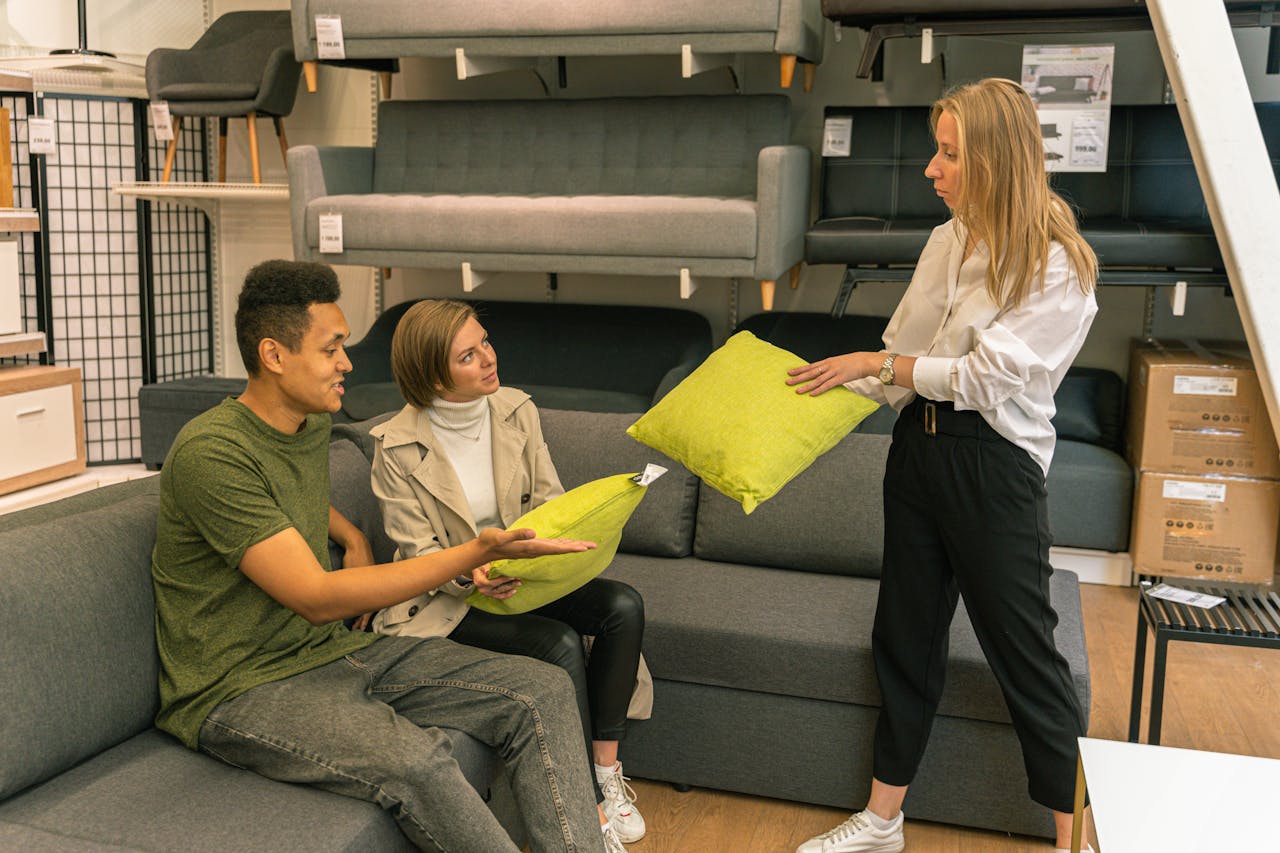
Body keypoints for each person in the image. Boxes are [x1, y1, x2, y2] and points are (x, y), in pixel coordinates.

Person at [151, 260, 623, 853]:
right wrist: (471, 553)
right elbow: (315, 598)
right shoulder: (209, 453)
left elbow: (276, 497)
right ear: (274, 356)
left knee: (542, 689)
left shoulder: (305, 424)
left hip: (330, 651)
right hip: (241, 686)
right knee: (422, 765)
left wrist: (349, 534)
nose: (347, 363)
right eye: (332, 349)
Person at [788, 79, 1098, 853]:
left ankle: (1076, 841)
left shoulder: (1057, 264)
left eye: (951, 154)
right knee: (905, 633)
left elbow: (984, 379)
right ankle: (883, 820)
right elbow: (902, 347)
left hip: (993, 466)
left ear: (995, 160)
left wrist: (882, 363)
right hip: (919, 450)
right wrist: (792, 398)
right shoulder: (947, 240)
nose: (933, 168)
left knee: (1024, 654)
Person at [366, 299, 649, 844]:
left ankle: (604, 772)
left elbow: (549, 499)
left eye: (486, 343)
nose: (489, 359)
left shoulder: (517, 408)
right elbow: (418, 554)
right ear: (431, 373)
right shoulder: (394, 447)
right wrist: (472, 574)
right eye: (468, 356)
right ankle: (586, 807)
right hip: (453, 595)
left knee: (622, 606)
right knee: (560, 643)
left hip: (526, 572)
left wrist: (560, 542)